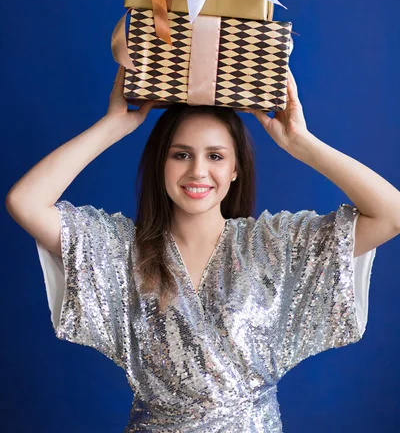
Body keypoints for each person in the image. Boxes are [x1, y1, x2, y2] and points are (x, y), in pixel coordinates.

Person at [5, 64, 400, 433]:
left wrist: (301, 142)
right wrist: (114, 125)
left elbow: (391, 215)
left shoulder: (275, 244)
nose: (197, 171)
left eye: (215, 156)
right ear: (161, 164)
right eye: (181, 155)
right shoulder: (122, 250)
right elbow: (26, 202)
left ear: (235, 168)